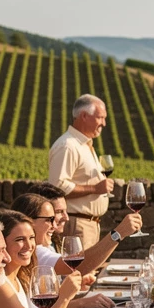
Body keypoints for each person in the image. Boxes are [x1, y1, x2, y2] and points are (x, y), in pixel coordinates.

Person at [11, 190, 142, 307]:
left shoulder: (44, 248)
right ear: (28, 221)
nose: (54, 225)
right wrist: (117, 234)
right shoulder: (34, 253)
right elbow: (80, 265)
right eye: (50, 219)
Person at [48, 93, 112, 248]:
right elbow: (57, 188)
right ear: (84, 116)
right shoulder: (68, 146)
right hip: (76, 226)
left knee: (89, 272)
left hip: (87, 225)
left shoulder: (84, 145)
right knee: (78, 272)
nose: (103, 123)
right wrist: (95, 188)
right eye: (100, 118)